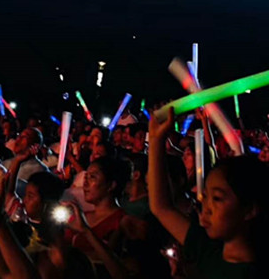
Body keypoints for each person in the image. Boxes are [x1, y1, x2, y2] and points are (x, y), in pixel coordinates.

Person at [149, 108, 267, 278]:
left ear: (249, 209)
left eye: (217, 198)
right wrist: (155, 140)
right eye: (204, 196)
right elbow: (161, 207)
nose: (206, 207)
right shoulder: (207, 248)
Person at [65, 156, 129, 262]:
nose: (85, 183)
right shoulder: (81, 216)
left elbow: (109, 260)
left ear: (111, 185)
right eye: (85, 177)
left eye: (92, 177)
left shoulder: (121, 221)